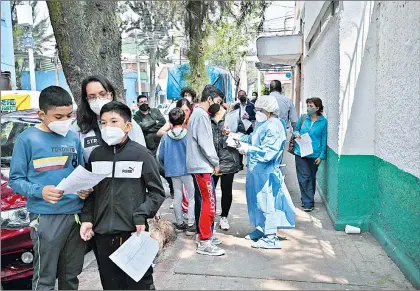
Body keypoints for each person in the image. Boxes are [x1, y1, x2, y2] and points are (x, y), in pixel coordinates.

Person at [8, 86, 92, 290]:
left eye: (68, 115)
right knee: (44, 279)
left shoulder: (73, 138)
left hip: (75, 217)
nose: (65, 121)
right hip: (45, 218)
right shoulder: (26, 139)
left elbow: (78, 172)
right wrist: (40, 191)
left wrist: (84, 189)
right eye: (58, 116)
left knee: (70, 276)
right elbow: (15, 180)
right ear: (41, 115)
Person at [80, 101, 165, 290]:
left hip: (133, 234)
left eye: (113, 121)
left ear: (127, 126)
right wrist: (87, 219)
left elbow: (157, 192)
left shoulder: (142, 155)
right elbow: (91, 193)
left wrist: (141, 213)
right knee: (111, 286)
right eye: (103, 123)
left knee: (140, 285)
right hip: (102, 236)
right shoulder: (96, 156)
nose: (107, 127)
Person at [236, 94, 295, 249]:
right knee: (256, 201)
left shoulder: (274, 125)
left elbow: (269, 152)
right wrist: (238, 137)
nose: (256, 111)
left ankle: (270, 237)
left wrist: (248, 150)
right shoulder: (262, 123)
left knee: (266, 202)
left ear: (268, 110)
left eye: (259, 109)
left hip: (265, 170)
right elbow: (254, 139)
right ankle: (260, 229)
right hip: (255, 169)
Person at [71, 75, 146, 163]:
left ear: (111, 95)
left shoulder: (127, 122)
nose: (98, 99)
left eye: (102, 94)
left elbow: (142, 155)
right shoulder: (79, 126)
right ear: (86, 100)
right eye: (92, 97)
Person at [187, 84, 224, 256]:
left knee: (205, 202)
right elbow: (205, 143)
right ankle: (204, 241)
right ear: (209, 99)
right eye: (218, 101)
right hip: (202, 165)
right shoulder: (201, 116)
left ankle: (203, 235)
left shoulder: (198, 114)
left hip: (199, 165)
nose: (219, 105)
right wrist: (215, 161)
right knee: (209, 203)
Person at [158, 108, 196, 235]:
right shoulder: (188, 134)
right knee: (191, 196)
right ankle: (191, 225)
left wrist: (167, 165)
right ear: (184, 119)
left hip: (173, 171)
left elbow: (160, 156)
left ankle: (180, 224)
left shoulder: (165, 136)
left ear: (170, 121)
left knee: (177, 197)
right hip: (188, 170)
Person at [208, 96, 241, 231]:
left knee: (226, 190)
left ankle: (224, 216)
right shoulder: (206, 120)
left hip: (228, 160)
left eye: (219, 101)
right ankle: (210, 217)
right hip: (211, 161)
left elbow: (244, 133)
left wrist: (232, 133)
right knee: (211, 192)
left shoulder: (231, 119)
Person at [293, 98, 327, 212]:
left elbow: (324, 139)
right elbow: (295, 130)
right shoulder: (303, 118)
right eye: (307, 105)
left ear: (317, 108)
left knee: (311, 177)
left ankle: (306, 198)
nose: (308, 108)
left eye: (311, 106)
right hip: (300, 152)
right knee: (304, 177)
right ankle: (308, 203)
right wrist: (296, 133)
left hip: (314, 155)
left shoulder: (323, 122)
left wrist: (321, 156)